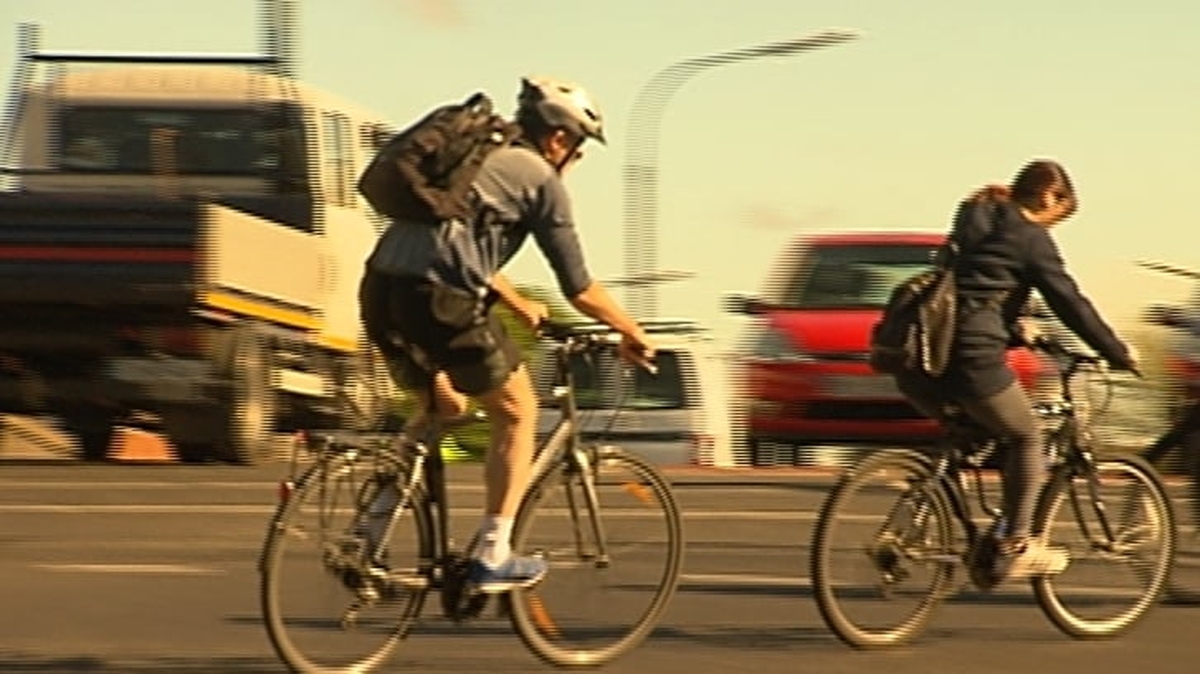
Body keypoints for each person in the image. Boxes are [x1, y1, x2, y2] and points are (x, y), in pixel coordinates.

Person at [358, 76, 655, 592]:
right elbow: (580, 287)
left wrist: (519, 303)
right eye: (579, 151)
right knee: (518, 411)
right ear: (560, 139)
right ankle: (494, 551)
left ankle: (368, 534)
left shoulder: (477, 158)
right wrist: (632, 331)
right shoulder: (541, 181)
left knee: (445, 407)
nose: (575, 163)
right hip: (437, 300)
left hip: (381, 290)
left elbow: (458, 240)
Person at [895, 158, 1138, 587]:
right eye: (1055, 217)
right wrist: (1117, 351)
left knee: (984, 435)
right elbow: (1069, 301)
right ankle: (1017, 544)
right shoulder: (1029, 236)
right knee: (1029, 436)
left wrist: (1013, 327)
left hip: (924, 355)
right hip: (972, 356)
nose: (1050, 228)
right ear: (1049, 196)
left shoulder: (974, 218)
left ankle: (972, 544)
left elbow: (974, 288)